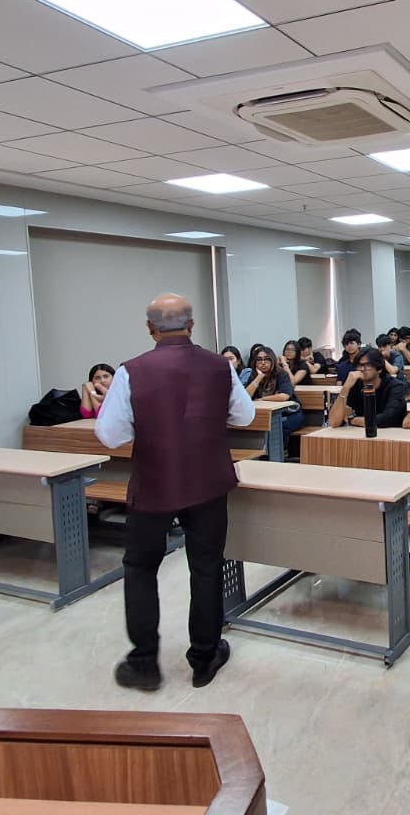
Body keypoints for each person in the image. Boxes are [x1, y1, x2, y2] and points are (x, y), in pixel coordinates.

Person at [95, 293, 255, 691]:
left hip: (153, 482)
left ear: (150, 329)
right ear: (192, 325)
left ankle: (144, 663)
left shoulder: (130, 371)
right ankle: (204, 658)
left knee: (140, 569)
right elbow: (245, 415)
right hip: (208, 482)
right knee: (206, 568)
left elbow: (110, 435)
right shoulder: (220, 366)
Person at [329, 346, 406, 428]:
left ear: (379, 368)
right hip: (361, 432)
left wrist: (353, 420)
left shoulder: (395, 387)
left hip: (390, 432)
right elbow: (334, 422)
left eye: (367, 365)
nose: (362, 369)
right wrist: (346, 387)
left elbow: (387, 418)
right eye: (359, 365)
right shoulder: (355, 384)